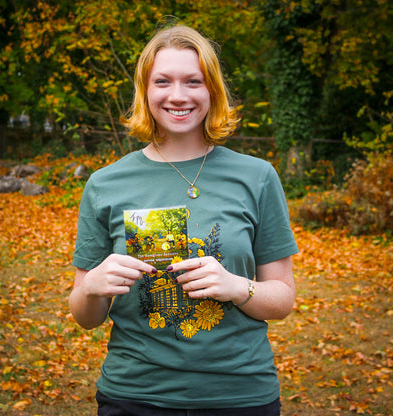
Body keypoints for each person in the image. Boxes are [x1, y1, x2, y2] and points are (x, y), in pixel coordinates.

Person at [69, 24, 298, 416]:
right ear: (145, 90)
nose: (178, 95)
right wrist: (91, 286)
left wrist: (235, 286)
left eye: (193, 81)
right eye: (163, 81)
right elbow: (85, 317)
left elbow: (283, 299)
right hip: (135, 396)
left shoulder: (257, 176)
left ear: (212, 90)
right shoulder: (105, 184)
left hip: (240, 395)